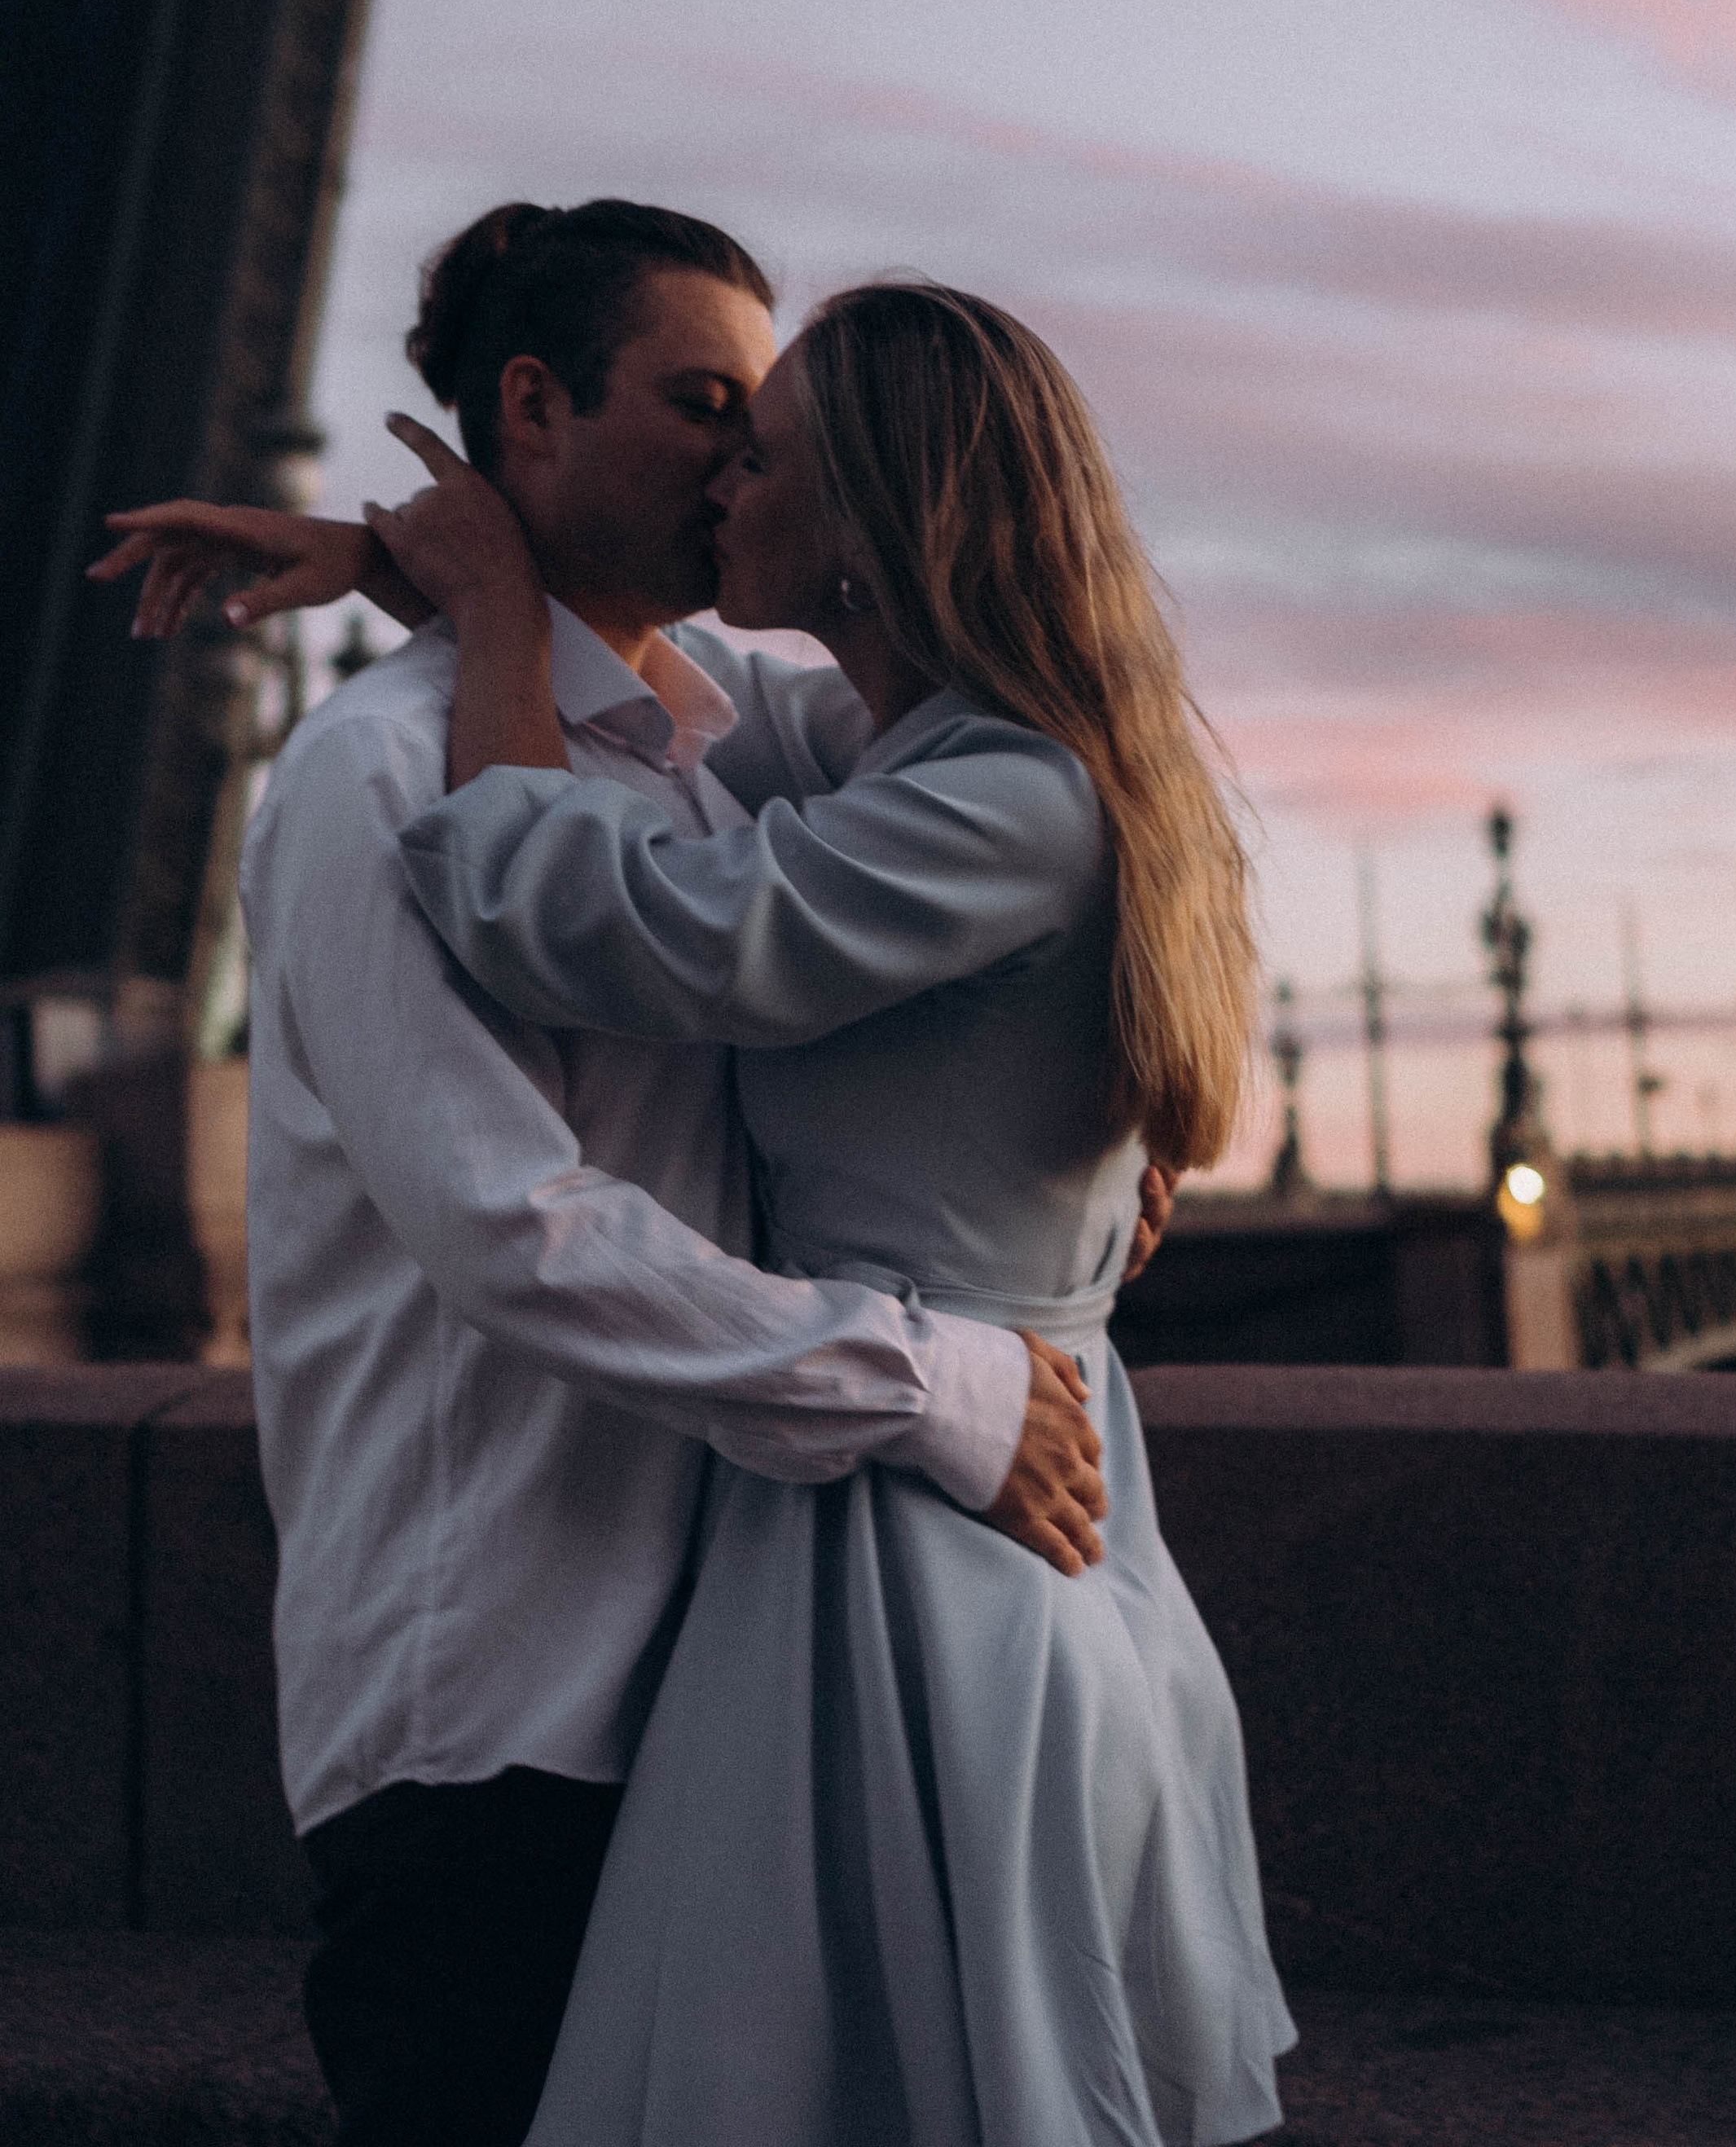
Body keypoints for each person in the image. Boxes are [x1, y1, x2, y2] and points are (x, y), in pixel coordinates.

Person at [92, 204, 1152, 2147]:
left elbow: (1023, 782)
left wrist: (1072, 1140)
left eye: (763, 428)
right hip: (499, 1713)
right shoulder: (371, 785)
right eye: (699, 406)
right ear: (532, 409)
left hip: (728, 1676)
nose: (746, 465)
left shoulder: (708, 750)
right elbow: (518, 1231)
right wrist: (942, 1383)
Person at [367, 277, 1296, 2147]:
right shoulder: (917, 752)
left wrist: (478, 615)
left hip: (924, 1545)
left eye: (762, 456)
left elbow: (585, 918)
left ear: (870, 525)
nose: (722, 486)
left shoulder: (1002, 802)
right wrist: (388, 557)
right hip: (932, 1477)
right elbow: (711, 720)